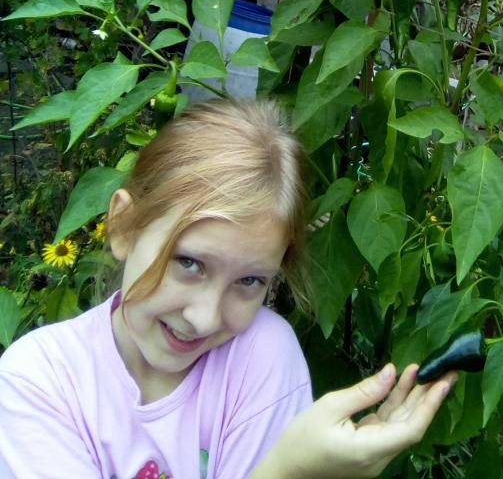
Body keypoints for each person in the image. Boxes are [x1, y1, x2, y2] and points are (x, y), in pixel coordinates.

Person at [0, 98, 455, 478]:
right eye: (189, 263)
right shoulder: (38, 382)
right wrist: (285, 471)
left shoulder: (261, 356)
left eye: (250, 281)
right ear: (122, 227)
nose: (205, 317)